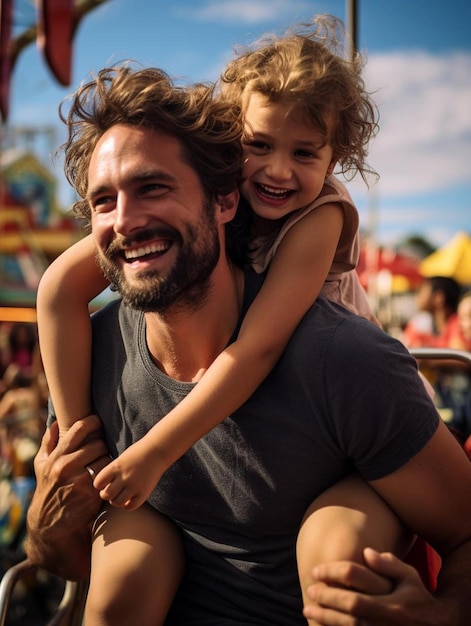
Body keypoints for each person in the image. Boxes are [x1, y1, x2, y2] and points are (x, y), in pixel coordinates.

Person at [25, 61, 471, 625]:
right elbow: (66, 564)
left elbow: (463, 532)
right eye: (104, 201)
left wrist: (446, 613)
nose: (127, 220)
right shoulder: (94, 356)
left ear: (225, 200)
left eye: (153, 187)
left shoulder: (341, 356)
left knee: (336, 557)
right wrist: (46, 524)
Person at [402, 275, 461, 348]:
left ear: (438, 298)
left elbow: (457, 357)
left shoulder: (457, 324)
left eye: (422, 291)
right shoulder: (434, 327)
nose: (417, 296)